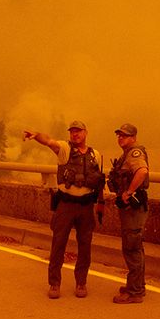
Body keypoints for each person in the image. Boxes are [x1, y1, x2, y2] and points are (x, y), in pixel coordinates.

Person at [23, 121, 106, 299]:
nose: (75, 134)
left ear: (86, 133)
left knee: (85, 246)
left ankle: (81, 282)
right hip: (66, 205)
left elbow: (99, 180)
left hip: (86, 206)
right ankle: (54, 283)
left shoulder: (96, 155)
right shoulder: (64, 150)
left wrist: (101, 203)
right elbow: (49, 142)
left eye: (78, 131)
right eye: (72, 132)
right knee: (58, 244)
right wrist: (37, 135)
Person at [107, 123, 149, 304]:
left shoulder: (134, 153)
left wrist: (128, 192)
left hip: (133, 208)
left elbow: (142, 171)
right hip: (131, 208)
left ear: (133, 137)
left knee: (131, 248)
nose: (120, 138)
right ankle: (138, 285)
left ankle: (134, 292)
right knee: (135, 247)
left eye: (124, 135)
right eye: (119, 135)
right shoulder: (126, 154)